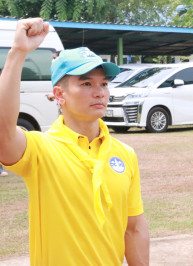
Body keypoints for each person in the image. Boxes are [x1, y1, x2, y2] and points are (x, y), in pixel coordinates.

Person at [0, 18, 149, 265]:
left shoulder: (125, 154)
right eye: (87, 83)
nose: (100, 92)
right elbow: (4, 135)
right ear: (60, 94)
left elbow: (133, 228)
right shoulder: (41, 150)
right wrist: (18, 53)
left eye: (103, 83)